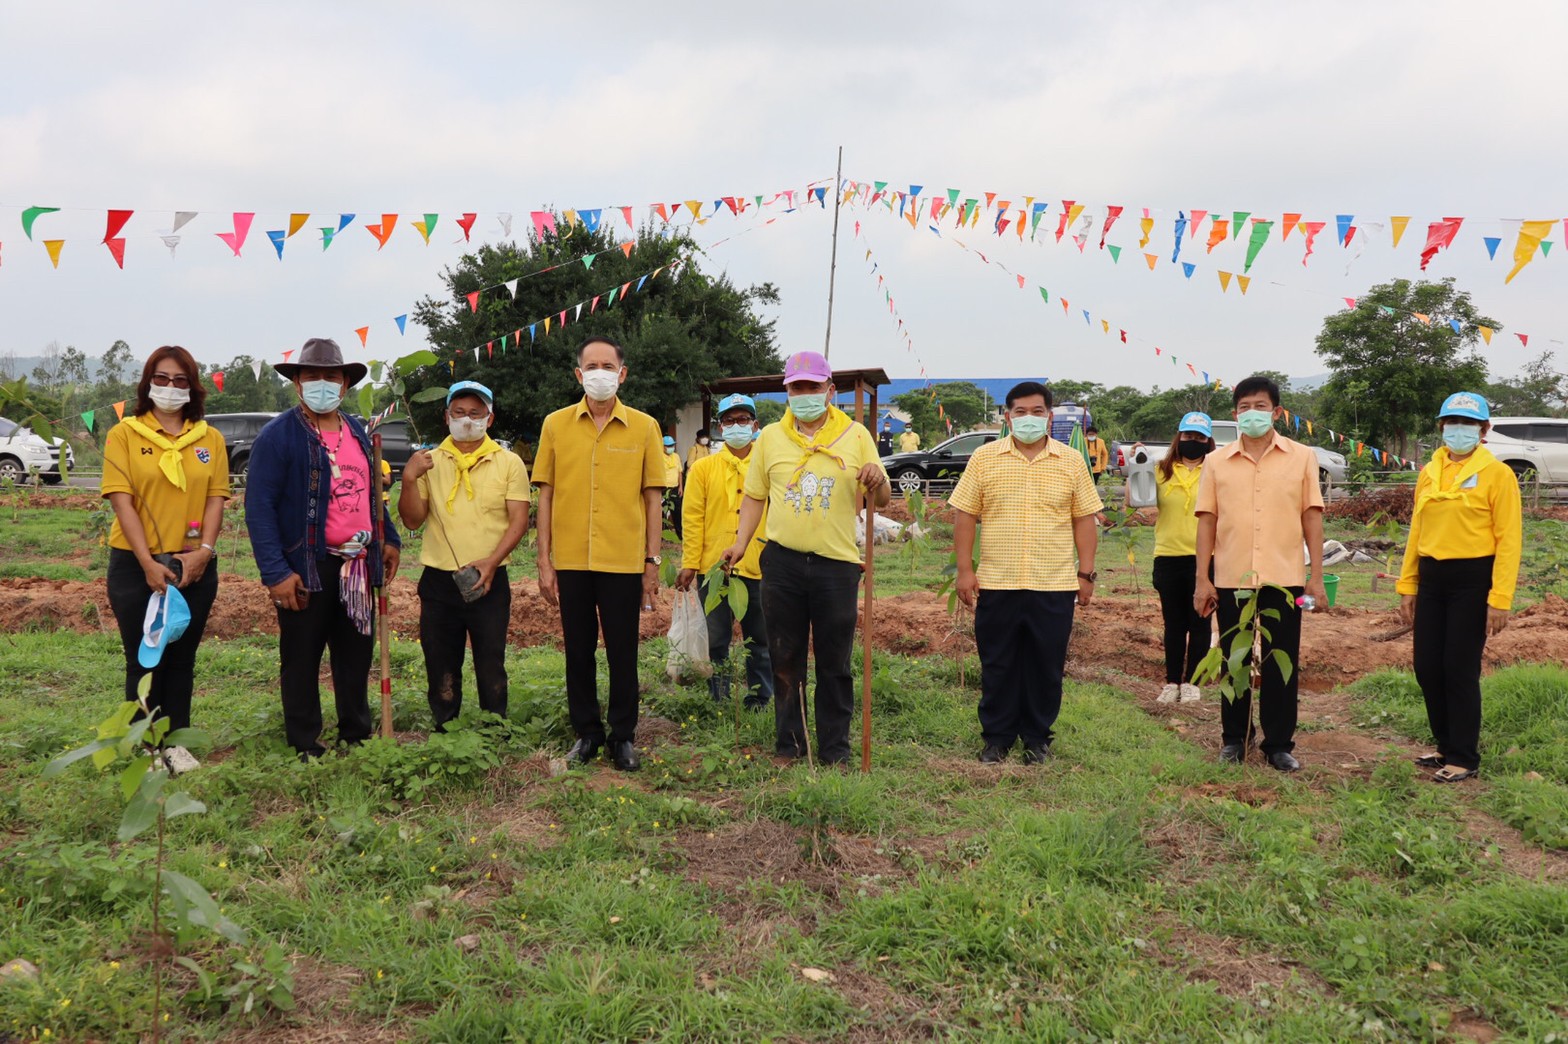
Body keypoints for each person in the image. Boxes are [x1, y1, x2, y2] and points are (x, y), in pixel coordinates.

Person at [721, 351, 890, 763]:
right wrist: (741, 544)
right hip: (782, 564)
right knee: (785, 658)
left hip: (837, 567)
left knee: (835, 662)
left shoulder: (855, 436)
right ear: (787, 393)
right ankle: (790, 746)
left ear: (829, 391)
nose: (806, 394)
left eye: (814, 387)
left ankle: (835, 750)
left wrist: (876, 478)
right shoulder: (771, 441)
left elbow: (880, 498)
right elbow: (754, 498)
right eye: (798, 387)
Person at [246, 338, 401, 759]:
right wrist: (276, 573)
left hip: (356, 566)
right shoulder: (278, 437)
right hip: (306, 567)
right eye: (311, 376)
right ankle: (305, 742)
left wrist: (390, 537)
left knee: (354, 655)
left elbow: (371, 496)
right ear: (297, 383)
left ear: (344, 384)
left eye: (330, 377)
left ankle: (356, 734)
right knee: (301, 658)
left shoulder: (356, 431)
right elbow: (259, 509)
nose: (321, 384)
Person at [951, 381, 1102, 764]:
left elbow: (1084, 519)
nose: (1029, 419)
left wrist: (1086, 575)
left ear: (1049, 418)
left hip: (1053, 583)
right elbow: (966, 514)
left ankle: (1037, 738)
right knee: (998, 663)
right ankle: (997, 738)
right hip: (997, 581)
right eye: (1020, 412)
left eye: (1037, 412)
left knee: (1045, 665)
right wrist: (965, 570)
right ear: (1007, 417)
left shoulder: (1070, 461)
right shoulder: (984, 459)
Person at [534, 337, 665, 772]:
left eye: (608, 365)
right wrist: (544, 559)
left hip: (623, 561)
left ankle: (623, 737)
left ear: (622, 374)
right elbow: (547, 495)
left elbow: (651, 500)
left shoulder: (645, 427)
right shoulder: (555, 425)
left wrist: (652, 562)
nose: (600, 372)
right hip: (571, 560)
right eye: (591, 365)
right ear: (579, 374)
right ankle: (587, 734)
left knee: (623, 651)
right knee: (578, 650)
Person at [101, 345, 230, 774]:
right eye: (161, 378)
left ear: (192, 387)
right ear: (147, 383)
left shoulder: (209, 438)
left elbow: (216, 499)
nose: (170, 388)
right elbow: (123, 502)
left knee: (182, 658)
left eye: (179, 381)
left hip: (192, 563)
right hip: (135, 564)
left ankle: (176, 744)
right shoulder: (125, 434)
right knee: (144, 657)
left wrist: (203, 555)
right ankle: (145, 747)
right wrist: (146, 562)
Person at [1194, 375, 1325, 772]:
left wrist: (1315, 575)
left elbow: (1312, 515)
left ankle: (1278, 744)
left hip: (1284, 580)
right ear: (1235, 414)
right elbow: (1206, 522)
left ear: (1277, 412)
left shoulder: (1301, 457)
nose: (1253, 414)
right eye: (1245, 407)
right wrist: (1203, 578)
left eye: (1261, 406)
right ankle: (1235, 739)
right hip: (1231, 577)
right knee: (1233, 660)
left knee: (1279, 660)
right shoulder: (1216, 462)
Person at [1396, 392, 1522, 784]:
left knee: (1458, 668)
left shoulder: (1497, 475)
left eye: (1469, 424)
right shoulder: (1430, 471)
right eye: (1452, 422)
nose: (1459, 430)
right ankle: (1444, 745)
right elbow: (1417, 530)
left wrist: (1499, 599)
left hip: (1473, 581)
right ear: (1441, 427)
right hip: (1432, 578)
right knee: (1427, 667)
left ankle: (1464, 756)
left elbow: (1509, 540)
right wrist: (1408, 582)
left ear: (1484, 430)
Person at [397, 381, 530, 732]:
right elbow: (412, 519)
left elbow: (518, 521)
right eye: (459, 413)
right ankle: (445, 729)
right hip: (439, 581)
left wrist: (490, 561)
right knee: (440, 662)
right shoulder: (428, 462)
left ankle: (494, 731)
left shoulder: (509, 463)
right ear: (446, 417)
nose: (467, 420)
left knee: (491, 663)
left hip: (490, 580)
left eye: (475, 413)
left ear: (490, 417)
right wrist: (409, 479)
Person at [678, 394, 773, 708]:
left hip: (759, 566)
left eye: (743, 420)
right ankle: (719, 697)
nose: (736, 426)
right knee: (716, 638)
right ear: (720, 427)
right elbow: (692, 518)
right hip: (714, 568)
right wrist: (691, 563)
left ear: (755, 425)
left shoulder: (768, 466)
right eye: (729, 421)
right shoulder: (703, 468)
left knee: (759, 638)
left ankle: (760, 696)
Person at [1142, 412, 1216, 704]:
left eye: (1199, 437)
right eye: (1188, 436)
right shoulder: (1160, 470)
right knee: (1173, 624)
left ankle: (1192, 684)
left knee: (1200, 622)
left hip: (1205, 558)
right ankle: (1172, 682)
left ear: (1208, 440)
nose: (1193, 442)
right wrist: (1138, 468)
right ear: (1179, 437)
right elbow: (1135, 499)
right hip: (1168, 556)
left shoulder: (1216, 471)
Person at [662, 435, 684, 538]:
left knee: (677, 512)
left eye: (672, 445)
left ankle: (680, 535)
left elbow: (680, 472)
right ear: (663, 446)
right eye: (668, 446)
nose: (671, 447)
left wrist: (681, 487)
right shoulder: (659, 457)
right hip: (663, 489)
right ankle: (664, 535)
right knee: (663, 512)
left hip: (675, 488)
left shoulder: (676, 456)